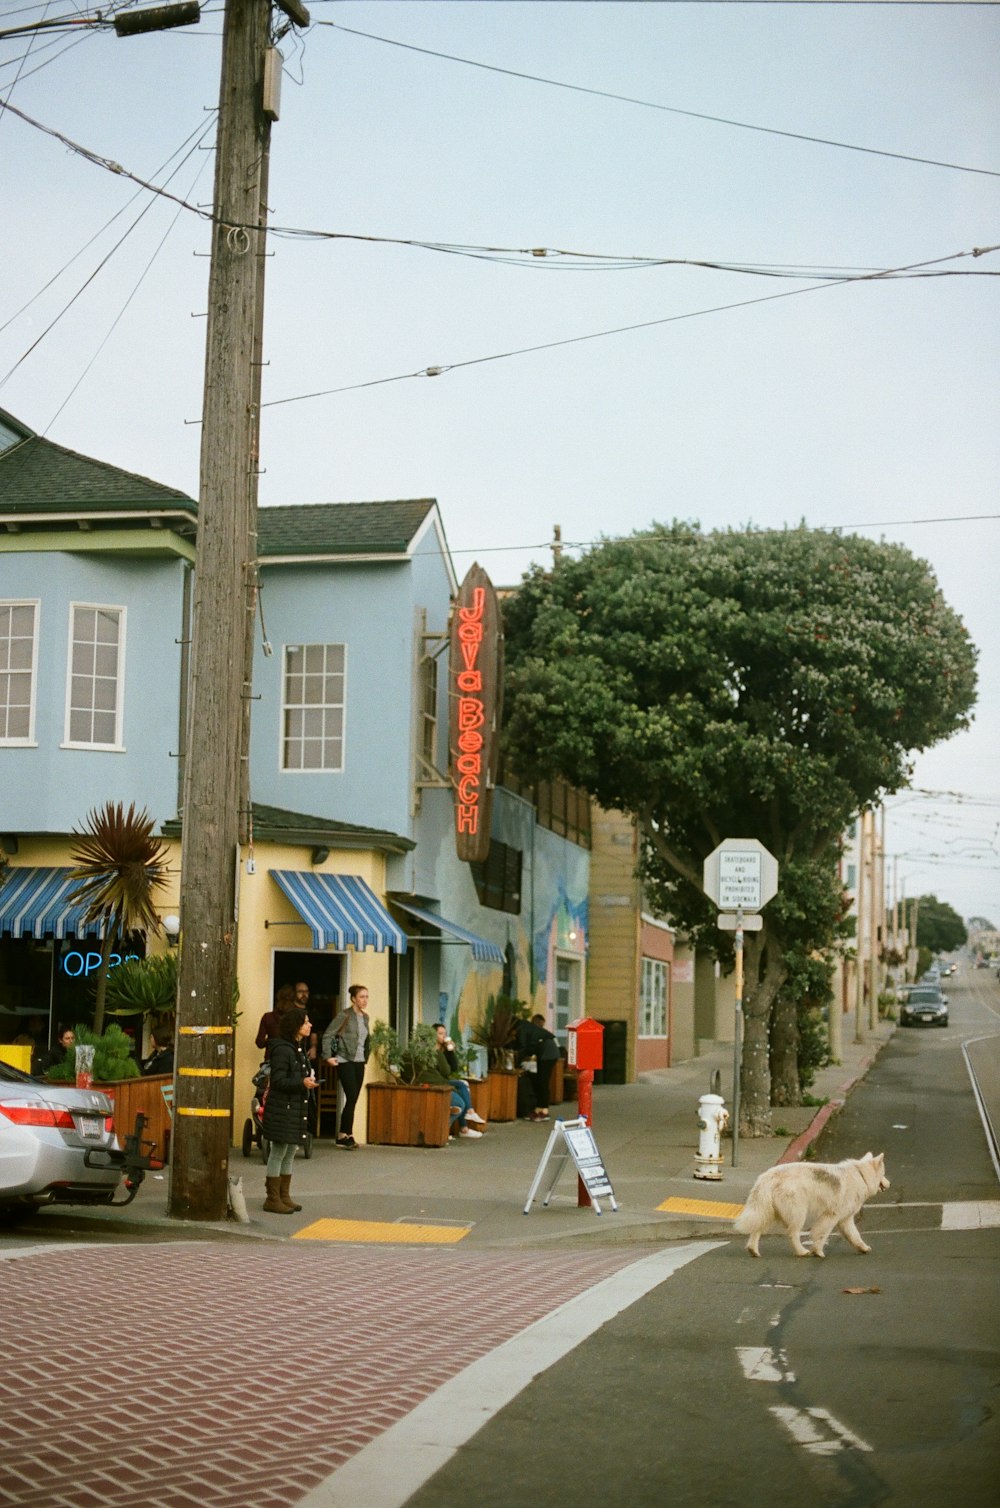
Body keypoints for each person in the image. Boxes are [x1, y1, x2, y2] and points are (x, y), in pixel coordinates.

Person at [261, 1006, 317, 1213]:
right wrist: (301, 1082)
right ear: (296, 1026)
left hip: (293, 1106)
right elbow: (278, 1080)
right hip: (283, 1107)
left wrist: (305, 1081)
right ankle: (272, 1198)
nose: (310, 1025)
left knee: (291, 1149)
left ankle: (284, 1196)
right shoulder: (283, 1049)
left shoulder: (297, 1048)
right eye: (306, 1022)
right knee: (278, 1151)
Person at [321, 984, 371, 1149]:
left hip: (359, 1061)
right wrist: (328, 1056)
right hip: (345, 1059)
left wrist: (366, 1057)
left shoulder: (365, 1017)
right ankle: (344, 1134)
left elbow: (366, 1040)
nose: (365, 1000)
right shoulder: (344, 1015)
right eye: (362, 997)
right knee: (351, 1096)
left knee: (354, 1098)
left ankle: (345, 1134)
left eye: (366, 997)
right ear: (353, 999)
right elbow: (328, 1034)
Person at [433, 1024, 486, 1128]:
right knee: (462, 1086)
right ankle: (466, 1121)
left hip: (443, 1079)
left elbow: (454, 1068)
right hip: (437, 1081)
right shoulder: (433, 1051)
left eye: (445, 1033)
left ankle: (467, 1122)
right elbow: (445, 1071)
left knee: (463, 1085)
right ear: (433, 1035)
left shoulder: (444, 1050)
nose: (443, 1036)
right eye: (440, 1033)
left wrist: (450, 1051)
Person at [528, 1013, 561, 1122]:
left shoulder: (536, 1033)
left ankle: (544, 1110)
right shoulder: (543, 1033)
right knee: (541, 1081)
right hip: (548, 1056)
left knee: (543, 1081)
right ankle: (539, 1108)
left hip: (547, 1056)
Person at [255, 984, 296, 1058]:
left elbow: (259, 1043)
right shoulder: (296, 1017)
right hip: (291, 1059)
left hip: (271, 1058)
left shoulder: (267, 1017)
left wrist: (270, 1041)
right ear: (294, 999)